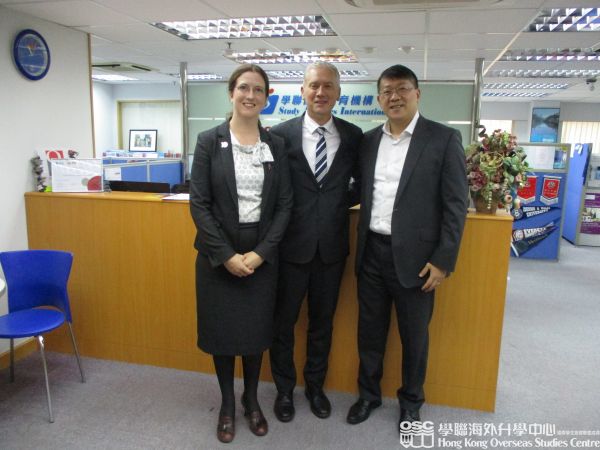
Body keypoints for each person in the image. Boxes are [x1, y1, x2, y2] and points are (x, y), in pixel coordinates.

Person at [346, 64, 468, 431]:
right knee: (370, 332)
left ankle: (411, 403)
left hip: (418, 261)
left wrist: (443, 260)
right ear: (379, 98)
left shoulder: (443, 139)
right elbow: (355, 190)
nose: (394, 96)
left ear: (417, 93)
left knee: (415, 337)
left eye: (402, 89)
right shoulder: (367, 141)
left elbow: (455, 204)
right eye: (386, 90)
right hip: (372, 253)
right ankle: (368, 395)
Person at [189, 64, 292, 444]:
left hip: (262, 256)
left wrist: (261, 253)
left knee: (254, 334)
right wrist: (227, 255)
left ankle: (251, 399)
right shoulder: (208, 141)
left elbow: (285, 205)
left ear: (266, 98)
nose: (251, 95)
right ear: (231, 92)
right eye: (244, 88)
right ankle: (228, 404)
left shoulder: (276, 144)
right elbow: (199, 204)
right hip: (219, 257)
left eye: (259, 90)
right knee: (222, 335)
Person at [269, 62, 363, 422]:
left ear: (338, 93)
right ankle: (283, 391)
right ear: (302, 91)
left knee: (322, 324)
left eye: (328, 86)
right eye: (313, 86)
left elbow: (361, 184)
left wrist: (338, 201)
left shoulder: (354, 136)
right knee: (284, 324)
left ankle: (315, 387)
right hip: (289, 249)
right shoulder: (278, 135)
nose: (320, 92)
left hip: (332, 250)